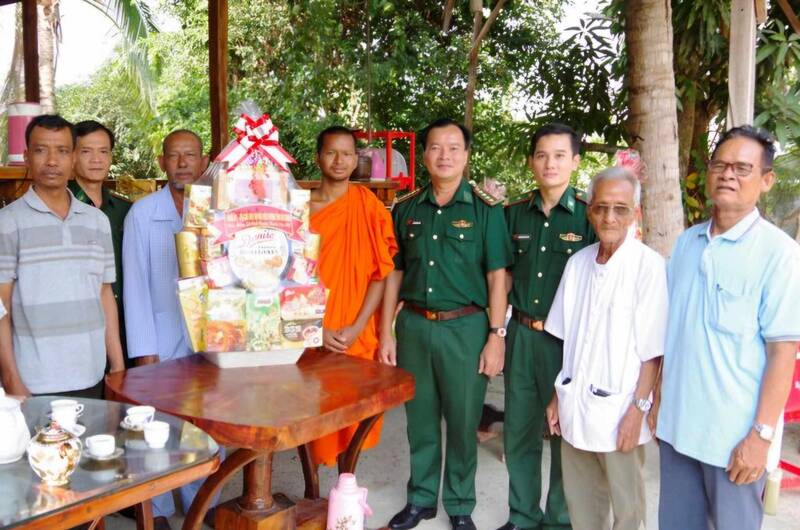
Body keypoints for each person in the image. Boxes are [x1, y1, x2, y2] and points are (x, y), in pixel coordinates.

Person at [654, 125, 800, 530]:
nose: (728, 175)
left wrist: (761, 436)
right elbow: (674, 333)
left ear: (766, 180)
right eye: (720, 165)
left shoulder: (780, 255)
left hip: (734, 443)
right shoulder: (686, 244)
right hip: (677, 431)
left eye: (742, 168)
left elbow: (782, 353)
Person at [379, 118, 512, 530]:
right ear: (424, 155)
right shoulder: (406, 209)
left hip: (466, 328)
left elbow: (497, 277)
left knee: (463, 418)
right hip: (415, 327)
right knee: (419, 420)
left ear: (466, 155)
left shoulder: (486, 212)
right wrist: (386, 331)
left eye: (454, 147)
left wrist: (496, 336)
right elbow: (394, 274)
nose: (445, 155)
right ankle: (420, 498)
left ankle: (459, 504)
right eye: (436, 147)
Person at [544, 167, 666, 530]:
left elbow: (653, 352)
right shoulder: (577, 263)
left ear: (635, 213)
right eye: (601, 207)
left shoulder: (649, 267)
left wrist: (638, 409)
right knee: (582, 504)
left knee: (627, 509)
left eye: (620, 208)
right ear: (589, 211)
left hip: (621, 411)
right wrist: (556, 395)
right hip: (575, 404)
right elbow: (568, 338)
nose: (609, 217)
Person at [500, 123, 595, 530]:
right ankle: (522, 516)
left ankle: (558, 520)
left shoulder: (591, 216)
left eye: (559, 155)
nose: (550, 163)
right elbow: (501, 275)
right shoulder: (512, 214)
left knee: (565, 435)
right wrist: (497, 334)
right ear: (531, 162)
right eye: (542, 155)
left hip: (567, 343)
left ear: (575, 161)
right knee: (519, 432)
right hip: (521, 335)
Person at [122, 129, 211, 530]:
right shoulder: (142, 212)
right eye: (174, 156)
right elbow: (135, 286)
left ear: (204, 161)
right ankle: (155, 509)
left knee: (204, 425)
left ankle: (200, 505)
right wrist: (143, 352)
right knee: (154, 428)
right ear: (162, 162)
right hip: (159, 339)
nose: (182, 163)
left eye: (190, 155)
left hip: (208, 340)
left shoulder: (217, 210)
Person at [0, 114, 124, 398]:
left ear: (72, 159)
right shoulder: (7, 223)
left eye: (63, 151)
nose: (52, 161)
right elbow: (1, 306)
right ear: (27, 156)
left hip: (92, 375)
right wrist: (10, 378)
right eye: (41, 150)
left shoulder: (97, 221)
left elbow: (105, 295)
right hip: (33, 383)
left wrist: (116, 365)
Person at [306, 126, 397, 467]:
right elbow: (290, 278)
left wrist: (359, 326)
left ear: (357, 159)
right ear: (318, 158)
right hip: (314, 328)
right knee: (314, 418)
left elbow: (380, 274)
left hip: (355, 330)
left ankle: (347, 487)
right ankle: (313, 492)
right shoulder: (303, 209)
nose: (339, 160)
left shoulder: (369, 207)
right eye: (331, 152)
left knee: (355, 417)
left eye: (347, 153)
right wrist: (315, 327)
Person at [69, 120, 133, 366]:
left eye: (103, 151)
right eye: (86, 151)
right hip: (82, 327)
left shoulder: (125, 210)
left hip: (125, 325)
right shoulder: (62, 208)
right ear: (72, 156)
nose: (96, 159)